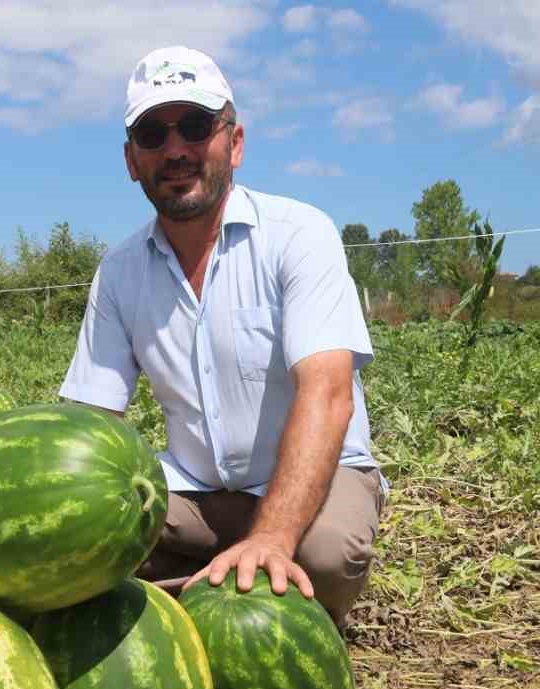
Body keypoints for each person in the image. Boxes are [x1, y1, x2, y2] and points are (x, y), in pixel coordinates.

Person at [58, 46, 383, 624]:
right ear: (132, 160)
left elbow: (327, 392)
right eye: (153, 134)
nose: (176, 149)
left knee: (324, 556)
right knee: (76, 541)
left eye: (196, 126)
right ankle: (212, 583)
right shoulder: (120, 270)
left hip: (318, 477)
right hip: (196, 492)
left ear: (233, 143)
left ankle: (209, 583)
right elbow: (90, 419)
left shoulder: (298, 234)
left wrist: (275, 537)